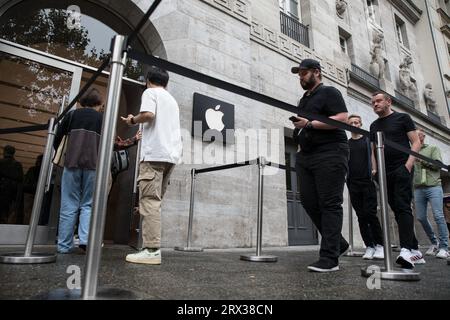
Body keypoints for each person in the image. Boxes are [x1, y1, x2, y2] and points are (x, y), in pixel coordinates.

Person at [290, 59, 350, 273]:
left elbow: (342, 118)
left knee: (330, 203)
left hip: (330, 152)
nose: (301, 77)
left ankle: (330, 258)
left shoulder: (330, 92)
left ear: (316, 72)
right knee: (307, 200)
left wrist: (309, 124)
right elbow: (302, 126)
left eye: (304, 73)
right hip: (307, 155)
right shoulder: (304, 99)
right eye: (299, 74)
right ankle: (339, 243)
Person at [122, 66, 182, 265]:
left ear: (148, 80)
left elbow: (148, 115)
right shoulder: (171, 100)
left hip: (154, 154)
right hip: (170, 156)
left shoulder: (150, 92)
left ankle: (151, 250)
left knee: (149, 201)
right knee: (154, 202)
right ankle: (151, 247)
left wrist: (132, 120)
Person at [370, 91, 423, 269]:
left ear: (388, 102)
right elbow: (373, 150)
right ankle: (415, 249)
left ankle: (406, 250)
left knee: (402, 206)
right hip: (384, 173)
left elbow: (416, 142)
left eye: (378, 101)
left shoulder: (403, 118)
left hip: (402, 168)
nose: (375, 104)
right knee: (396, 208)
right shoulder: (373, 125)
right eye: (373, 102)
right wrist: (375, 170)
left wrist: (408, 165)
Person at [54, 88, 103, 254]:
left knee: (68, 204)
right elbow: (109, 143)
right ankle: (85, 240)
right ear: (99, 103)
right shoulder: (102, 118)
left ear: (81, 102)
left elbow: (57, 139)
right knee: (88, 204)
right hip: (93, 165)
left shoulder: (72, 115)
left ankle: (64, 245)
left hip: (71, 163)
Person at [347, 115, 384, 260]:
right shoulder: (347, 143)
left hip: (367, 181)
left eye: (356, 122)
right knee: (361, 216)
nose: (354, 124)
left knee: (370, 214)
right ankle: (369, 246)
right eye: (351, 123)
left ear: (360, 124)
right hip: (353, 182)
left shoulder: (367, 140)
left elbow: (373, 157)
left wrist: (374, 170)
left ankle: (380, 245)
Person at [413, 129, 449, 259]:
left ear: (423, 136)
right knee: (421, 217)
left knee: (438, 216)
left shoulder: (432, 148)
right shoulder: (411, 150)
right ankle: (435, 243)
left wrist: (421, 160)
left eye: (418, 135)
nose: (415, 137)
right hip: (418, 188)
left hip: (433, 186)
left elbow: (438, 165)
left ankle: (445, 247)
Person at [0, 145, 23, 224]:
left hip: (2, 191)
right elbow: (20, 180)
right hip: (12, 193)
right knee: (8, 213)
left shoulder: (1, 162)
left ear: (5, 152)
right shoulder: (18, 164)